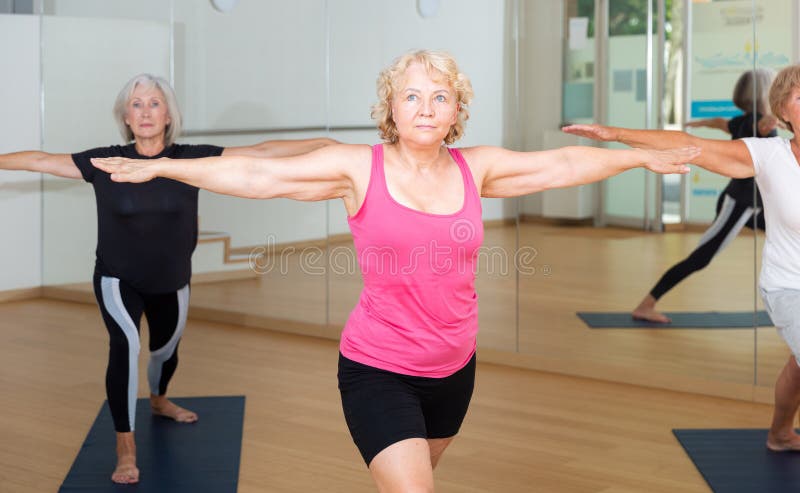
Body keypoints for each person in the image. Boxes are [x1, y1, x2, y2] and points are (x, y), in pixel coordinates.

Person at [91, 50, 698, 491]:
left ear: (456, 108)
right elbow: (256, 175)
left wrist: (640, 160)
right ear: (390, 108)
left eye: (439, 96)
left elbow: (563, 163)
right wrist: (167, 167)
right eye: (411, 95)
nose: (425, 107)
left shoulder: (476, 168)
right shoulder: (359, 168)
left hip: (455, 370)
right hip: (378, 369)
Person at [0, 73, 337, 484]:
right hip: (116, 278)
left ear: (168, 115)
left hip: (172, 279)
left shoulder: (190, 159)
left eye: (154, 103)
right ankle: (126, 447)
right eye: (137, 104)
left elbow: (262, 152)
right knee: (125, 348)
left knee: (165, 351)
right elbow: (39, 160)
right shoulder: (106, 161)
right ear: (126, 115)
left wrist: (326, 145)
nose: (145, 111)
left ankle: (159, 401)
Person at [564, 63, 800, 453]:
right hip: (789, 285)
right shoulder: (767, 154)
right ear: (782, 112)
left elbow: (716, 121)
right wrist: (618, 134)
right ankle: (649, 301)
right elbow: (689, 143)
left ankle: (778, 434)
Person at [632, 68, 778, 323]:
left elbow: (722, 123)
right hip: (740, 204)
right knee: (700, 258)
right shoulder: (760, 123)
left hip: (757, 206)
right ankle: (646, 305)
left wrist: (701, 123)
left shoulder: (743, 121)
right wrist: (776, 116)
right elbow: (764, 125)